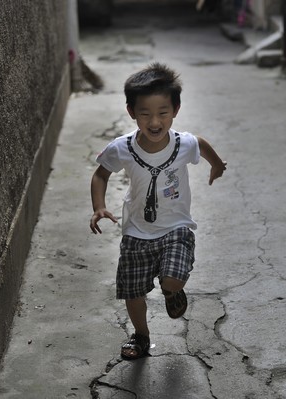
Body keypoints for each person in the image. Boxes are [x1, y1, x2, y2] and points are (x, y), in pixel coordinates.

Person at [89, 63, 227, 360]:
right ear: (131, 112)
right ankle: (141, 336)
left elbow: (201, 145)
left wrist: (216, 164)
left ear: (175, 110)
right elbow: (101, 175)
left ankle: (172, 290)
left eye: (162, 113)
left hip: (175, 227)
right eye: (145, 114)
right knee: (133, 292)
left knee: (172, 279)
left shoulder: (182, 144)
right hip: (136, 232)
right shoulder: (122, 148)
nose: (154, 121)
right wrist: (99, 206)